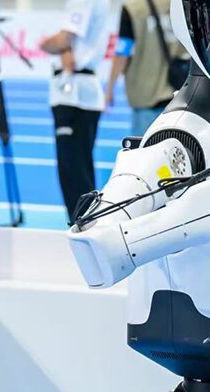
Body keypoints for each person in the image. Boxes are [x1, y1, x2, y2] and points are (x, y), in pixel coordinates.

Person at [41, 0, 110, 224]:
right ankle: (83, 223)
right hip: (79, 91)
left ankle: (82, 225)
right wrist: (63, 48)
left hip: (74, 94)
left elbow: (64, 39)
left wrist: (46, 44)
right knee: (78, 167)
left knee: (73, 170)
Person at [105, 0, 188, 136]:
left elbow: (122, 54)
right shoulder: (182, 5)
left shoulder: (133, 9)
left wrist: (109, 89)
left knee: (145, 146)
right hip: (180, 94)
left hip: (145, 93)